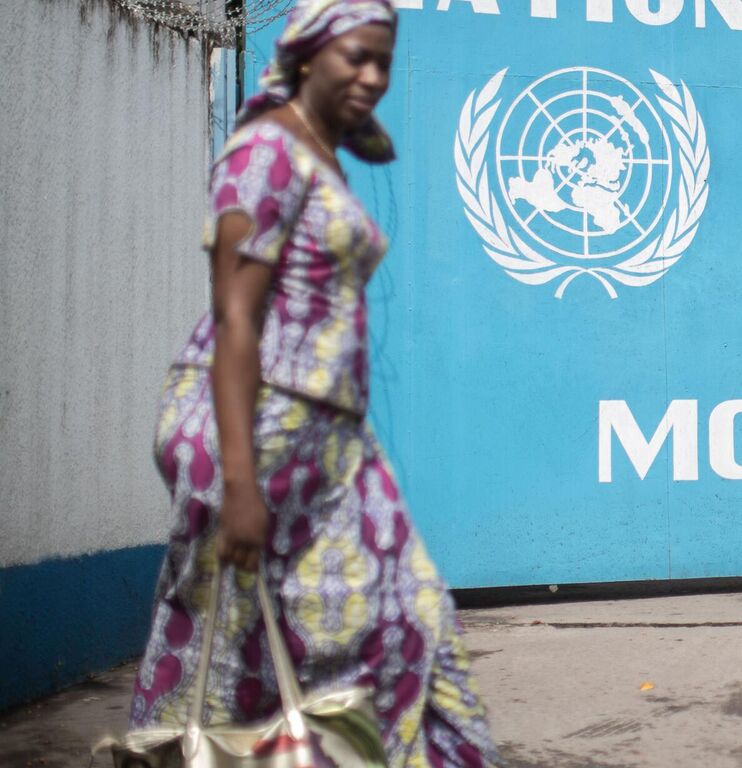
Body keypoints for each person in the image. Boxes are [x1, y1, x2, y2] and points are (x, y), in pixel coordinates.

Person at [127, 1, 497, 764]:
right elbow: (235, 317)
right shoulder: (263, 153)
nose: (372, 76)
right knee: (230, 656)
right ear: (307, 54)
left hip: (327, 442)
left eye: (383, 63)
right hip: (253, 429)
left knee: (402, 622)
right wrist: (237, 483)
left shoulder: (318, 154)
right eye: (356, 56)